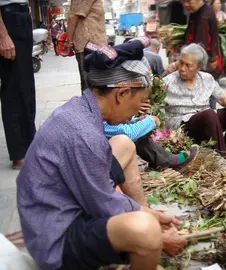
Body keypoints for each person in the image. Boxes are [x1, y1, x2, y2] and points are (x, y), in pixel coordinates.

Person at [17, 39, 187, 270]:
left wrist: (146, 211)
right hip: (55, 236)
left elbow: (99, 192)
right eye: (140, 102)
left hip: (58, 205)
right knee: (145, 231)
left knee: (124, 143)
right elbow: (102, 203)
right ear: (122, 93)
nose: (139, 110)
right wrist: (152, 226)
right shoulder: (83, 134)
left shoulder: (80, 110)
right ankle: (146, 246)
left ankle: (145, 244)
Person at [164, 44, 226, 161]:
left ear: (198, 67)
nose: (182, 68)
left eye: (188, 65)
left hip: (208, 123)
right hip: (183, 128)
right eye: (181, 63)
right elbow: (150, 97)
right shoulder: (168, 82)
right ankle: (221, 157)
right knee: (209, 114)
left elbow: (222, 97)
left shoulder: (206, 79)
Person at [165, 0, 222, 110]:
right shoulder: (196, 13)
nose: (186, 5)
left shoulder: (203, 18)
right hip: (201, 65)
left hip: (206, 66)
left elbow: (199, 49)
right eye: (183, 1)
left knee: (205, 103)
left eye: (188, 1)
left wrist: (177, 64)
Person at [0, 1, 36, 170]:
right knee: (14, 88)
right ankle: (19, 152)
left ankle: (30, 145)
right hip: (7, 18)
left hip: (21, 16)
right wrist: (3, 36)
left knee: (27, 88)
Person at [104, 114, 199, 170]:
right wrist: (151, 121)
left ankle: (164, 160)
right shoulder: (97, 117)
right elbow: (128, 133)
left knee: (138, 132)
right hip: (104, 163)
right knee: (135, 136)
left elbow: (118, 123)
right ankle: (169, 161)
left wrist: (135, 120)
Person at [65, 0, 107, 93]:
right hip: (89, 46)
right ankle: (91, 106)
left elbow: (73, 16)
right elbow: (74, 16)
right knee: (92, 87)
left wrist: (69, 42)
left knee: (93, 87)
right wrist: (70, 41)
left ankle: (92, 106)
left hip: (91, 46)